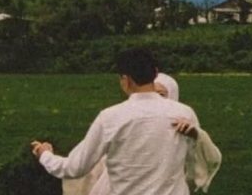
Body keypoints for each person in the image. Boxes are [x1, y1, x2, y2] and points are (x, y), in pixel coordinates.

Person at [31, 48, 200, 195]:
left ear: (125, 80)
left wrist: (45, 155)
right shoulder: (184, 113)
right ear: (155, 73)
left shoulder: (110, 117)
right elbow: (196, 165)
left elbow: (74, 167)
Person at [63, 72, 221, 195]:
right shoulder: (121, 121)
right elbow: (81, 161)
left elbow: (210, 159)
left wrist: (195, 135)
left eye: (162, 94)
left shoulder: (184, 122)